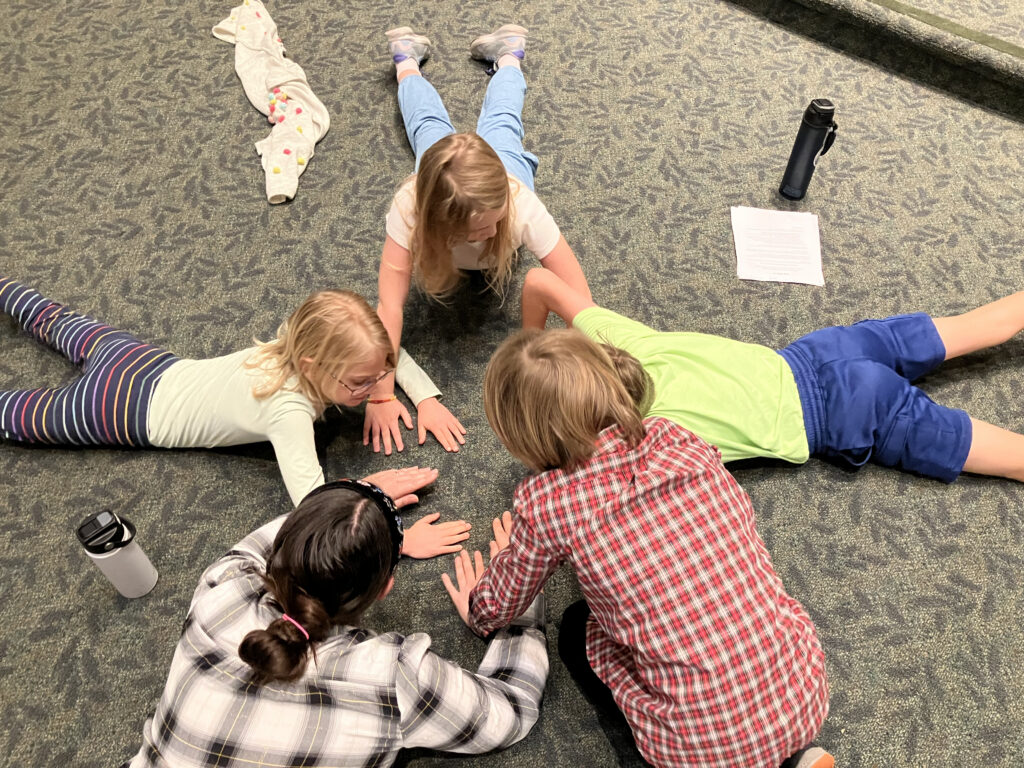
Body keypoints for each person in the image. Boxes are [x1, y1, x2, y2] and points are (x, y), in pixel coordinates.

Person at [460, 329, 832, 768]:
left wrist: (480, 608)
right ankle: (792, 757)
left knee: (578, 627)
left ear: (522, 436)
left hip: (700, 747)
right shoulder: (677, 438)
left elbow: (498, 608)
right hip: (803, 696)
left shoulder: (545, 503)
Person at [0, 276, 469, 557]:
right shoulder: (287, 410)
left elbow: (386, 351)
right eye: (360, 384)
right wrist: (397, 538)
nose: (372, 389)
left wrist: (418, 397)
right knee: (16, 415)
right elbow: (316, 506)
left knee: (51, 317)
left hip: (143, 361)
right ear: (312, 367)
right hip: (120, 411)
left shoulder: (300, 334)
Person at [124, 469, 549, 767]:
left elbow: (269, 543)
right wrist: (519, 601)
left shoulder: (223, 587)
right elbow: (509, 713)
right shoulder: (393, 677)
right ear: (384, 589)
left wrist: (352, 495)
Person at [517, 267, 1024, 484]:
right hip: (820, 351)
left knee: (1013, 459)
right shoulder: (629, 343)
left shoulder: (649, 443)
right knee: (984, 325)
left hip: (844, 415)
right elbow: (540, 280)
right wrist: (534, 346)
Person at [365, 24, 593, 456]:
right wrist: (380, 393)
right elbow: (389, 307)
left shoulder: (518, 203)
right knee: (427, 128)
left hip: (504, 169)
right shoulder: (411, 205)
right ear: (435, 222)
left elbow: (580, 299)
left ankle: (509, 55)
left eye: (494, 222)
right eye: (474, 231)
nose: (488, 234)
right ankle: (405, 61)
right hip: (442, 177)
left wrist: (587, 382)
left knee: (503, 124)